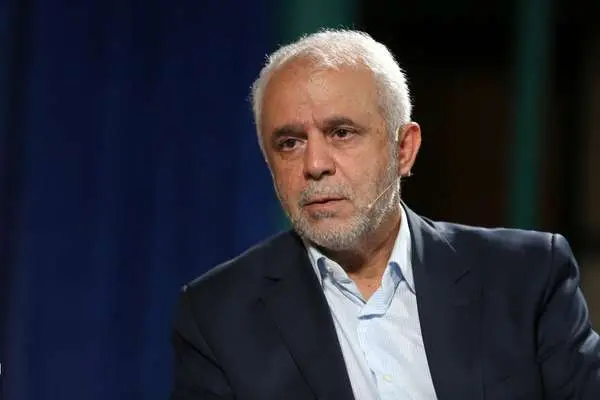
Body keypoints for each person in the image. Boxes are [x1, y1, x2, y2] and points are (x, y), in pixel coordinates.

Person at [170, 30, 600, 400]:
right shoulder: (218, 317)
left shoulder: (525, 279)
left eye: (341, 133)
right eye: (289, 143)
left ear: (403, 149)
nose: (314, 164)